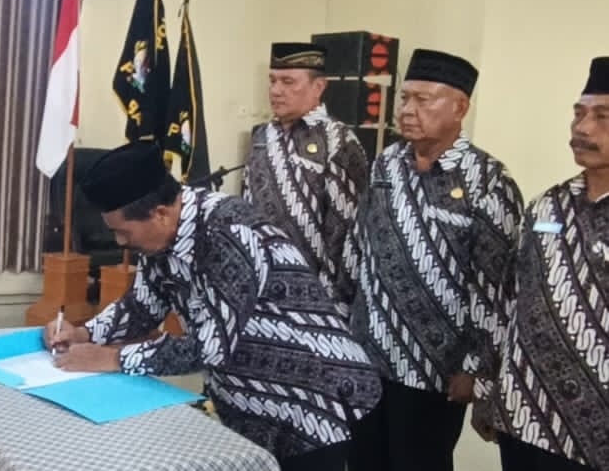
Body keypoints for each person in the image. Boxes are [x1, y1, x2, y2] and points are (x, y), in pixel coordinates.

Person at [45, 141, 382, 471]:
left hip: (314, 397)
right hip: (251, 400)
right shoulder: (161, 240)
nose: (120, 242)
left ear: (160, 213)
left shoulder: (228, 232)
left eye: (123, 232)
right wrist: (85, 333)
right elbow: (142, 305)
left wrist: (113, 358)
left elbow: (211, 347)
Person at [344, 49, 523, 471]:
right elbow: (358, 245)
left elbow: (496, 287)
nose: (407, 110)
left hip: (434, 371)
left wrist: (476, 368)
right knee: (363, 461)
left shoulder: (489, 181)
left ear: (460, 108)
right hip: (369, 354)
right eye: (404, 98)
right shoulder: (386, 164)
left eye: (423, 100)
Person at [474, 57, 609, 471]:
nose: (582, 128)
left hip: (596, 432)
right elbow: (508, 298)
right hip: (524, 413)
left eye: (602, 117)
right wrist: (488, 388)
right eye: (579, 113)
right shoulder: (547, 205)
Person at [243, 42, 368, 318]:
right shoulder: (262, 136)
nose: (276, 91)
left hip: (314, 296)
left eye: (288, 82)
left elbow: (347, 231)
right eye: (273, 81)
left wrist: (337, 303)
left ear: (318, 87)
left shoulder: (339, 141)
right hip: (261, 285)